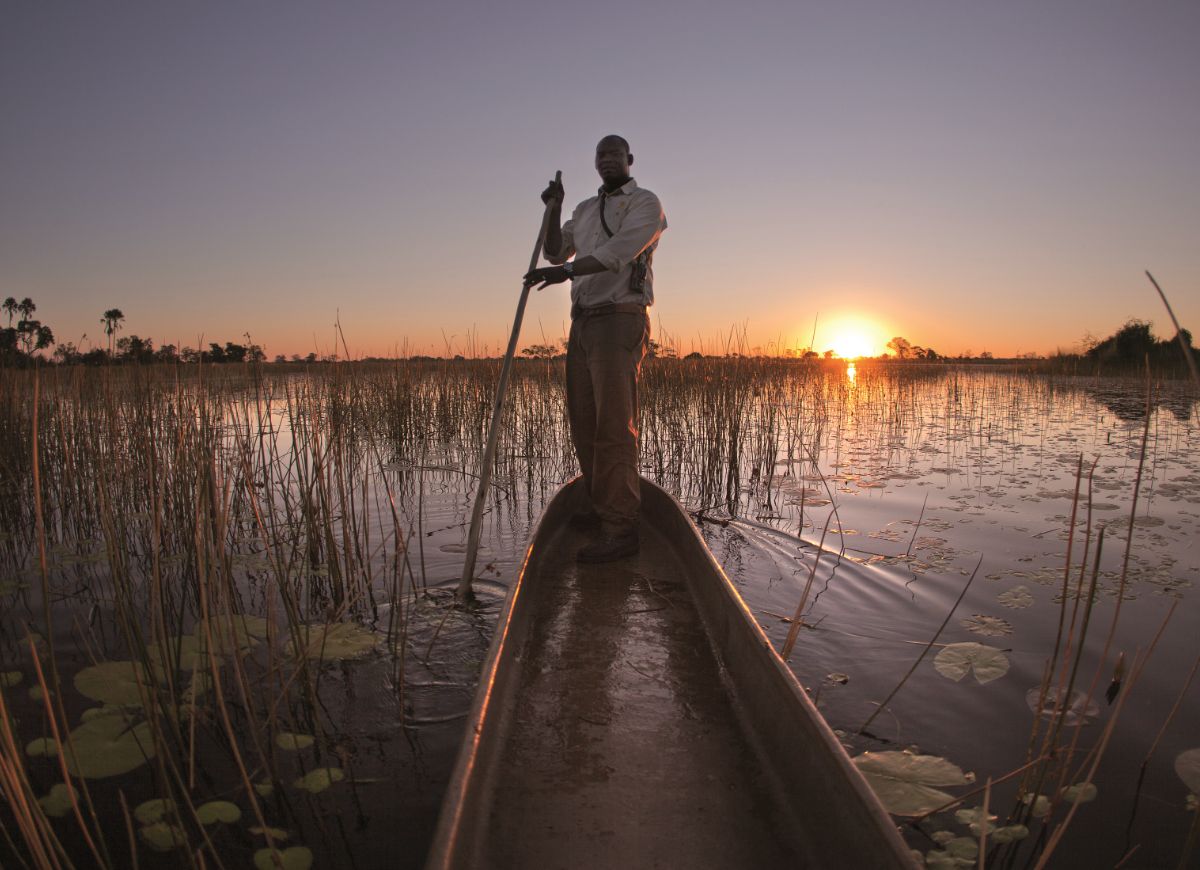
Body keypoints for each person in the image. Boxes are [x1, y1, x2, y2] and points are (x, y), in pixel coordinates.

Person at [524, 134, 667, 563]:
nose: (607, 160)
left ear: (629, 160)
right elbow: (554, 249)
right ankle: (600, 508)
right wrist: (552, 209)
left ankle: (621, 527)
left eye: (614, 154)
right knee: (584, 421)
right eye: (600, 154)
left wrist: (566, 272)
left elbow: (616, 254)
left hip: (620, 319)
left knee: (613, 425)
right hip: (583, 322)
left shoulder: (645, 203)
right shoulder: (584, 209)